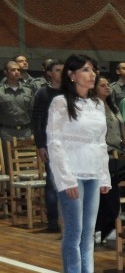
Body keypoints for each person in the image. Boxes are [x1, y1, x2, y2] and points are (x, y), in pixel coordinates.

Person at [46, 54, 111, 273]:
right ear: (71, 75)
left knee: (88, 233)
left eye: (93, 69)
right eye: (85, 70)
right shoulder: (60, 103)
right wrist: (66, 179)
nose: (92, 74)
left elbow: (101, 143)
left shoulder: (97, 104)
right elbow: (55, 142)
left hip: (93, 173)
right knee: (73, 233)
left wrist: (104, 175)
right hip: (72, 174)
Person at [30, 58, 64, 232]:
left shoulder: (70, 91)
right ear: (50, 73)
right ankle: (52, 220)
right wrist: (40, 145)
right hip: (50, 143)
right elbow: (37, 120)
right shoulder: (43, 93)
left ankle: (67, 218)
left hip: (69, 143)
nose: (61, 73)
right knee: (52, 181)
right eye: (58, 70)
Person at [94, 75, 125, 244]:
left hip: (117, 153)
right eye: (103, 85)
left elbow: (122, 129)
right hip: (103, 154)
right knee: (105, 194)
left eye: (108, 85)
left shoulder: (112, 106)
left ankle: (112, 226)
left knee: (116, 193)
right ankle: (99, 228)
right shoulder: (93, 107)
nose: (107, 88)